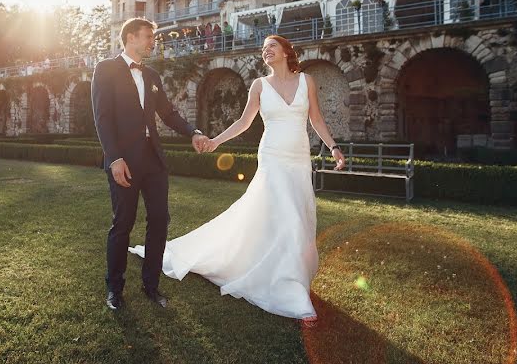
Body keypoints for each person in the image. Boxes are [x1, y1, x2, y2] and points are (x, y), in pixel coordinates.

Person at [130, 35, 345, 321]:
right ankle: (291, 290)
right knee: (289, 216)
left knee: (298, 215)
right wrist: (216, 141)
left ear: (285, 52)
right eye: (263, 48)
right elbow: (244, 122)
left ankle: (287, 274)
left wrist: (333, 147)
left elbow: (316, 119)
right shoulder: (259, 85)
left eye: (272, 46)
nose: (266, 51)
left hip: (298, 158)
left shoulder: (307, 81)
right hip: (271, 157)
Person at [92, 18, 211, 311]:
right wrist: (114, 158)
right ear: (130, 37)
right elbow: (102, 118)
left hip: (153, 160)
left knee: (160, 221)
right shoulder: (105, 69)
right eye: (148, 36)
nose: (152, 42)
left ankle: (151, 285)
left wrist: (193, 132)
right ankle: (114, 290)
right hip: (124, 161)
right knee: (123, 224)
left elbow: (168, 113)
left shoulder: (152, 75)